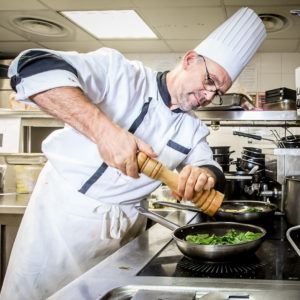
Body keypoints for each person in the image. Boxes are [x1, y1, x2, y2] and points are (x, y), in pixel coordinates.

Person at [0, 7, 266, 300]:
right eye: (209, 81)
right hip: (62, 221)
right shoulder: (120, 73)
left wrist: (203, 175)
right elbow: (30, 66)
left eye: (216, 93)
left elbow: (208, 165)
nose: (208, 96)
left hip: (127, 230)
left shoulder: (191, 129)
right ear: (190, 60)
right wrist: (103, 131)